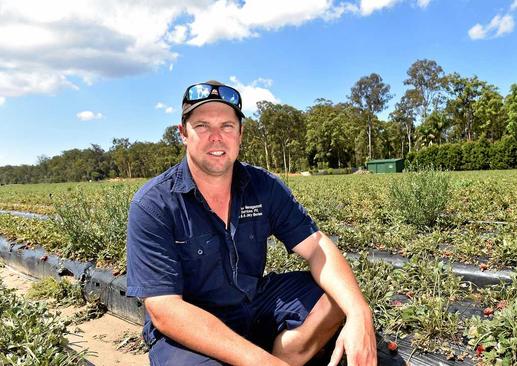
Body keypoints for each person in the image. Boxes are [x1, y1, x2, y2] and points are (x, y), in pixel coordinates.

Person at [126, 80, 377, 366]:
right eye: (203, 126)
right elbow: (164, 309)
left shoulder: (264, 187)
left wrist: (359, 312)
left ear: (241, 133)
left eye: (227, 126)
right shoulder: (153, 204)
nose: (216, 137)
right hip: (189, 323)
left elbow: (317, 246)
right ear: (183, 133)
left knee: (338, 296)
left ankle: (284, 357)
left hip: (251, 303)